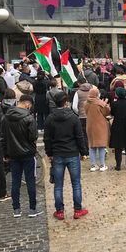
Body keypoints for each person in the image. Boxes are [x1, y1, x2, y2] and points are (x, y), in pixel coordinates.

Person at [44, 91, 89, 221]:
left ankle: (59, 211)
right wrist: (83, 152)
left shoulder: (50, 118)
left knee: (58, 185)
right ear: (65, 103)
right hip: (72, 153)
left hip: (58, 154)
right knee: (76, 183)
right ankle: (78, 210)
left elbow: (47, 138)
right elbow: (79, 136)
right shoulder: (73, 117)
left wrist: (49, 153)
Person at [0, 95, 42, 218]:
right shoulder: (29, 118)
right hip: (28, 153)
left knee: (15, 182)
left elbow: (3, 138)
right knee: (30, 181)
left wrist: (5, 154)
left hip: (13, 154)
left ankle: (16, 209)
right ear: (27, 104)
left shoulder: (6, 118)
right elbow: (33, 137)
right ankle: (32, 208)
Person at [84, 86, 110, 172]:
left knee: (92, 146)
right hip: (100, 126)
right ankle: (102, 165)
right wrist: (106, 104)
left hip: (90, 126)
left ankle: (93, 165)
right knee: (102, 146)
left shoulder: (86, 103)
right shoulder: (100, 103)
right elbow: (106, 112)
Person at [109, 87, 126, 170]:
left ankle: (118, 165)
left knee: (118, 147)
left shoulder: (114, 104)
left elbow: (112, 113)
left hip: (117, 126)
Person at [72, 76, 92, 147]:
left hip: (82, 116)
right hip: (92, 115)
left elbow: (74, 106)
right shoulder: (93, 90)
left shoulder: (78, 92)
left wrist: (79, 112)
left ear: (78, 83)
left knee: (83, 134)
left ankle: (86, 151)